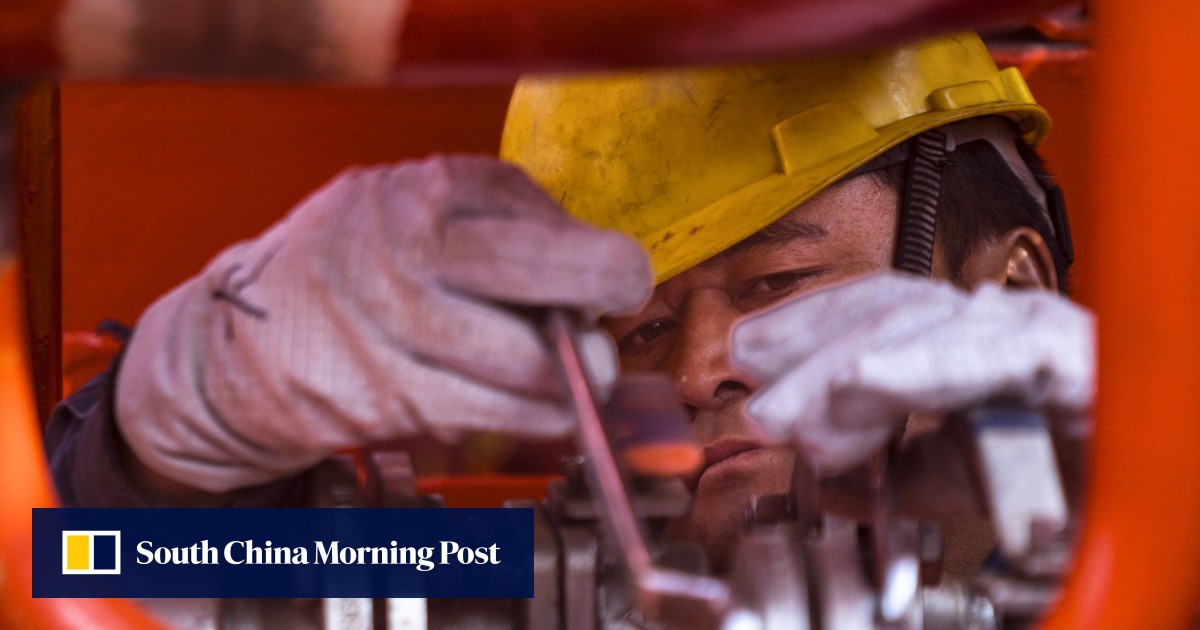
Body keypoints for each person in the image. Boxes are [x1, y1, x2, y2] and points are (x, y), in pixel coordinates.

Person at [44, 31, 1092, 576]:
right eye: (640, 330)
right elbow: (91, 571)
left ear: (1014, 289)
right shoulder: (517, 582)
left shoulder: (1156, 557)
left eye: (778, 285)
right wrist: (166, 442)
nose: (693, 371)